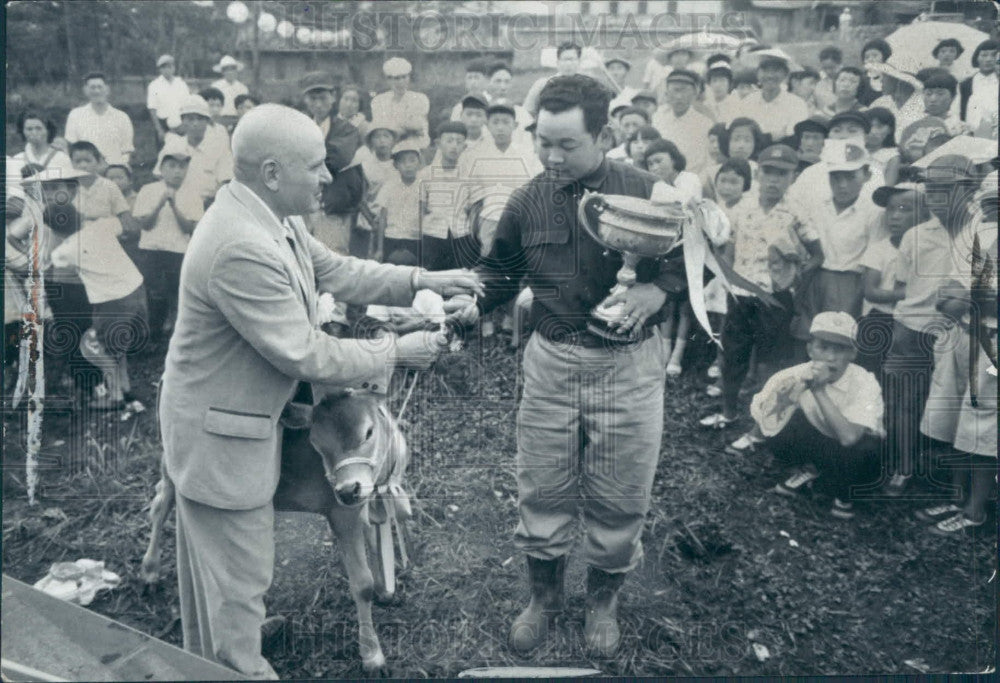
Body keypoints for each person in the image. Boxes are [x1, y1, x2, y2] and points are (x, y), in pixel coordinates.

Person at [159, 103, 482, 678]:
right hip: (220, 433)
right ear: (273, 173)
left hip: (242, 416)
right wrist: (397, 351)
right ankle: (240, 664)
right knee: (240, 575)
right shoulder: (241, 246)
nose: (330, 178)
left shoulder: (274, 216)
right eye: (317, 167)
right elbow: (304, 352)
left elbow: (337, 271)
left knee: (231, 571)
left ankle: (231, 642)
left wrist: (420, 280)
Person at [452, 74, 681, 658]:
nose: (551, 157)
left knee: (621, 489)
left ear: (603, 134)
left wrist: (658, 294)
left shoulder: (649, 190)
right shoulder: (528, 199)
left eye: (566, 145)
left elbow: (698, 263)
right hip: (552, 362)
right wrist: (469, 303)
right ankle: (544, 597)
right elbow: (498, 271)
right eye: (543, 143)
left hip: (628, 367)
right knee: (543, 483)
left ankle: (603, 601)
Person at [699, 144, 824, 430]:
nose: (773, 180)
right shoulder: (742, 206)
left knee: (770, 362)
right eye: (768, 172)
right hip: (741, 296)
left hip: (775, 299)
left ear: (792, 177)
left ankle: (764, 421)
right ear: (759, 174)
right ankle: (729, 412)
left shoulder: (795, 212)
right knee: (733, 356)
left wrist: (795, 275)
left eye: (782, 174)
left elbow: (817, 254)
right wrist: (728, 275)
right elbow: (726, 245)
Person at [881, 154, 983, 498]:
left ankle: (953, 486)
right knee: (903, 403)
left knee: (956, 408)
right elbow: (906, 284)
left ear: (969, 191)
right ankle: (903, 468)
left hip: (960, 333)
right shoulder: (915, 236)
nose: (938, 198)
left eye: (947, 190)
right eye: (932, 190)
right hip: (911, 329)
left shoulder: (981, 234)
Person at [916, 173, 997, 533]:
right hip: (964, 332)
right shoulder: (977, 234)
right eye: (989, 202)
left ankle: (975, 510)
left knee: (983, 425)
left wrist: (974, 297)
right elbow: (946, 298)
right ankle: (957, 496)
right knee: (954, 417)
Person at [748, 311, 884, 519]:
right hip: (823, 444)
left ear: (853, 354)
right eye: (823, 347)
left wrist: (818, 390)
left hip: (855, 452)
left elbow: (849, 438)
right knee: (782, 425)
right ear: (810, 349)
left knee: (868, 448)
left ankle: (844, 495)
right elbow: (763, 414)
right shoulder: (791, 374)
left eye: (840, 350)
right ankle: (811, 470)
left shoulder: (865, 382)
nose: (830, 357)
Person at [36, 163, 148, 410]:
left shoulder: (65, 247)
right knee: (106, 343)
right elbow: (123, 226)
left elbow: (49, 264)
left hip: (107, 296)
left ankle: (115, 394)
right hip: (129, 289)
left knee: (95, 346)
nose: (54, 192)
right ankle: (118, 388)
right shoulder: (99, 226)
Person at [795, 139, 883, 335]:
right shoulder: (817, 205)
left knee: (839, 336)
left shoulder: (873, 212)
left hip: (850, 284)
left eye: (851, 177)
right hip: (816, 280)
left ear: (866, 175)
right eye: (836, 177)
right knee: (809, 337)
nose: (842, 185)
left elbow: (875, 258)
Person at [132, 137, 204, 342]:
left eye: (182, 167)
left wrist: (174, 206)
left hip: (179, 252)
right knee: (155, 294)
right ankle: (153, 334)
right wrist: (160, 203)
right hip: (152, 251)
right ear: (161, 168)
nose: (177, 171)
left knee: (178, 294)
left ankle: (178, 335)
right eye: (171, 166)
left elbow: (189, 228)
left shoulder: (193, 194)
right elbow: (145, 224)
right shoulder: (148, 190)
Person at [855, 183, 924, 377]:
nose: (894, 216)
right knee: (869, 372)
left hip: (912, 322)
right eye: (890, 209)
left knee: (902, 376)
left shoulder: (925, 251)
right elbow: (870, 291)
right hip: (881, 319)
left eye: (904, 210)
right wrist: (905, 293)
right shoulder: (879, 249)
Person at [299, 72, 364, 255]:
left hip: (332, 208)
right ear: (306, 100)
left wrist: (302, 163)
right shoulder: (299, 128)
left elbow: (336, 160)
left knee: (333, 259)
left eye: (322, 97)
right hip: (303, 205)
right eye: (313, 98)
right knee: (303, 258)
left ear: (333, 97)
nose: (318, 104)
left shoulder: (346, 129)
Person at [418, 121, 477, 270]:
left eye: (459, 142)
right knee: (432, 281)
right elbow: (421, 208)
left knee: (460, 281)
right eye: (449, 141)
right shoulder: (426, 174)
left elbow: (473, 209)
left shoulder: (469, 176)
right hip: (433, 236)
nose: (454, 146)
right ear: (438, 143)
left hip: (461, 237)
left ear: (464, 147)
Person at [158, 95, 235, 208]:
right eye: (190, 119)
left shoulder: (219, 148)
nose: (195, 123)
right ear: (182, 121)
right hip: (176, 205)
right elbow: (159, 177)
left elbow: (225, 183)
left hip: (209, 206)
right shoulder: (172, 147)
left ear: (207, 122)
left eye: (200, 119)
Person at [64, 72, 134, 168]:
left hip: (114, 169)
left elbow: (127, 150)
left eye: (100, 87)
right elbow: (72, 147)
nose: (97, 91)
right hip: (85, 170)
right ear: (85, 90)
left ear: (107, 89)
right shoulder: (75, 115)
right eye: (92, 87)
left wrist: (119, 167)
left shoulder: (122, 117)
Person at [729, 56, 809, 139]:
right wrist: (772, 136)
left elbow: (793, 137)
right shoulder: (747, 102)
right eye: (765, 70)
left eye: (775, 70)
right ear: (757, 73)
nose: (770, 75)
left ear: (785, 74)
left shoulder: (797, 105)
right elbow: (739, 134)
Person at [372, 139, 424, 264]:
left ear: (419, 163)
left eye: (412, 160)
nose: (408, 165)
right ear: (395, 165)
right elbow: (382, 218)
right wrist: (379, 249)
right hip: (392, 238)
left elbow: (425, 216)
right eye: (403, 161)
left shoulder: (424, 186)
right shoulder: (389, 186)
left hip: (415, 240)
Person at [651, 69, 713, 174]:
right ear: (667, 93)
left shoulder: (705, 124)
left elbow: (708, 162)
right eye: (675, 90)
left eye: (684, 91)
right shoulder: (657, 119)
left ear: (694, 93)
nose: (679, 96)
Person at [371, 57, 431, 148]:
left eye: (404, 77)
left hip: (416, 145)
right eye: (396, 78)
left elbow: (418, 126)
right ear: (388, 80)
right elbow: (380, 129)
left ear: (409, 78)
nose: (401, 82)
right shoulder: (378, 101)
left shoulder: (420, 98)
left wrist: (392, 127)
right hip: (388, 147)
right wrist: (408, 128)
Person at [523, 42, 582, 117]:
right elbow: (527, 111)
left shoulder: (588, 86)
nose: (568, 64)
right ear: (557, 62)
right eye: (564, 60)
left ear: (579, 62)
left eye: (572, 59)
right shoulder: (542, 84)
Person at [866, 63, 925, 133]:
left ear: (898, 82)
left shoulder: (920, 106)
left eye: (885, 77)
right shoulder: (880, 102)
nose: (881, 81)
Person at [960, 39, 999, 138]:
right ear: (977, 58)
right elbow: (959, 112)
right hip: (970, 135)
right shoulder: (966, 84)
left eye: (993, 55)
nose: (989, 59)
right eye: (984, 55)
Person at [147, 55, 190, 144]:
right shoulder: (154, 85)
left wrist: (185, 125)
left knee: (183, 152)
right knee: (164, 154)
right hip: (163, 125)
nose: (167, 70)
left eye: (169, 67)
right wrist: (159, 130)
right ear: (160, 70)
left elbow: (188, 105)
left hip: (180, 124)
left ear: (174, 68)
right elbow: (152, 109)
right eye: (164, 67)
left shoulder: (181, 84)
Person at [918, 68, 965, 136]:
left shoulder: (962, 130)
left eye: (940, 93)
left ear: (953, 96)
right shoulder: (915, 126)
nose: (933, 99)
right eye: (928, 93)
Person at [210, 55, 249, 120]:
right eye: (227, 70)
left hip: (237, 118)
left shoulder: (243, 88)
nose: (230, 72)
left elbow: (244, 106)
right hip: (220, 118)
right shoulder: (215, 87)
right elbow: (211, 105)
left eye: (232, 69)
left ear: (236, 71)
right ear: (222, 72)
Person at [864, 107, 898, 173]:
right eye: (869, 126)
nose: (873, 131)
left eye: (879, 127)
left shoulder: (892, 156)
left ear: (890, 130)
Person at [859, 38, 893, 105]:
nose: (870, 59)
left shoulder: (893, 78)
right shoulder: (861, 80)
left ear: (885, 57)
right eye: (867, 57)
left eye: (875, 56)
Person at [814, 46, 843, 114]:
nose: (828, 72)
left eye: (832, 68)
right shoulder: (818, 82)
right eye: (825, 68)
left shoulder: (850, 81)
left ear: (840, 64)